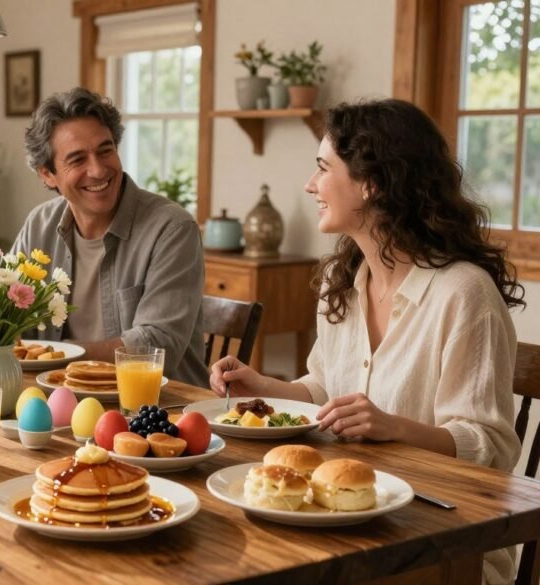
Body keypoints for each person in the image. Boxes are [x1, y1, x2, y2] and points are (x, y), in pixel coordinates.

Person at [208, 98, 524, 585]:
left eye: (322, 169)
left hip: (441, 542)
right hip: (349, 519)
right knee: (227, 544)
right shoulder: (343, 278)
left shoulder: (464, 293)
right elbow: (322, 391)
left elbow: (491, 446)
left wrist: (393, 426)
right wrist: (263, 385)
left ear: (372, 183)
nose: (311, 185)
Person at [12, 87, 208, 386]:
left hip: (160, 411)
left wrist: (54, 356)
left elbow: (158, 346)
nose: (98, 169)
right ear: (47, 174)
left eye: (106, 150)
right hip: (60, 401)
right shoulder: (39, 223)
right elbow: (7, 312)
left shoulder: (172, 228)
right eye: (77, 160)